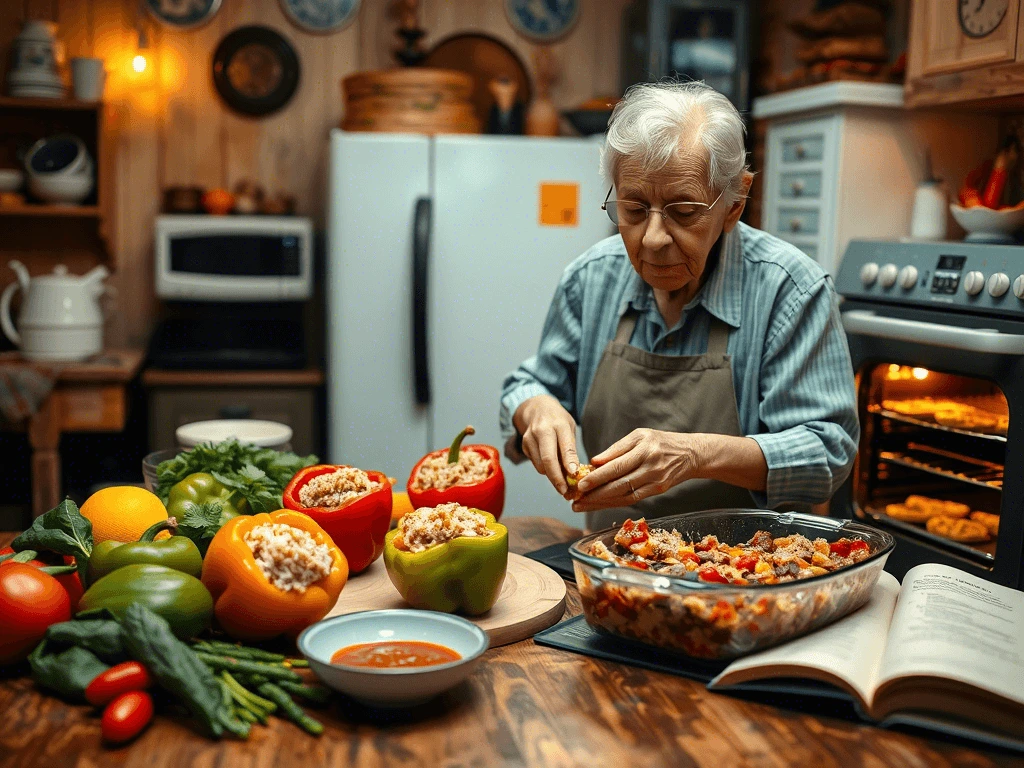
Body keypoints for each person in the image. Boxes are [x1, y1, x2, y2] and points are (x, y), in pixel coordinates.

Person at [500, 81, 859, 531]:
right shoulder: (590, 279)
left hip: (747, 573)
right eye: (633, 209)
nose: (652, 239)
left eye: (684, 212)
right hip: (611, 566)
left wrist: (694, 454)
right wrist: (536, 407)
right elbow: (531, 382)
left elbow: (827, 452)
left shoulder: (791, 291)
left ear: (735, 203)